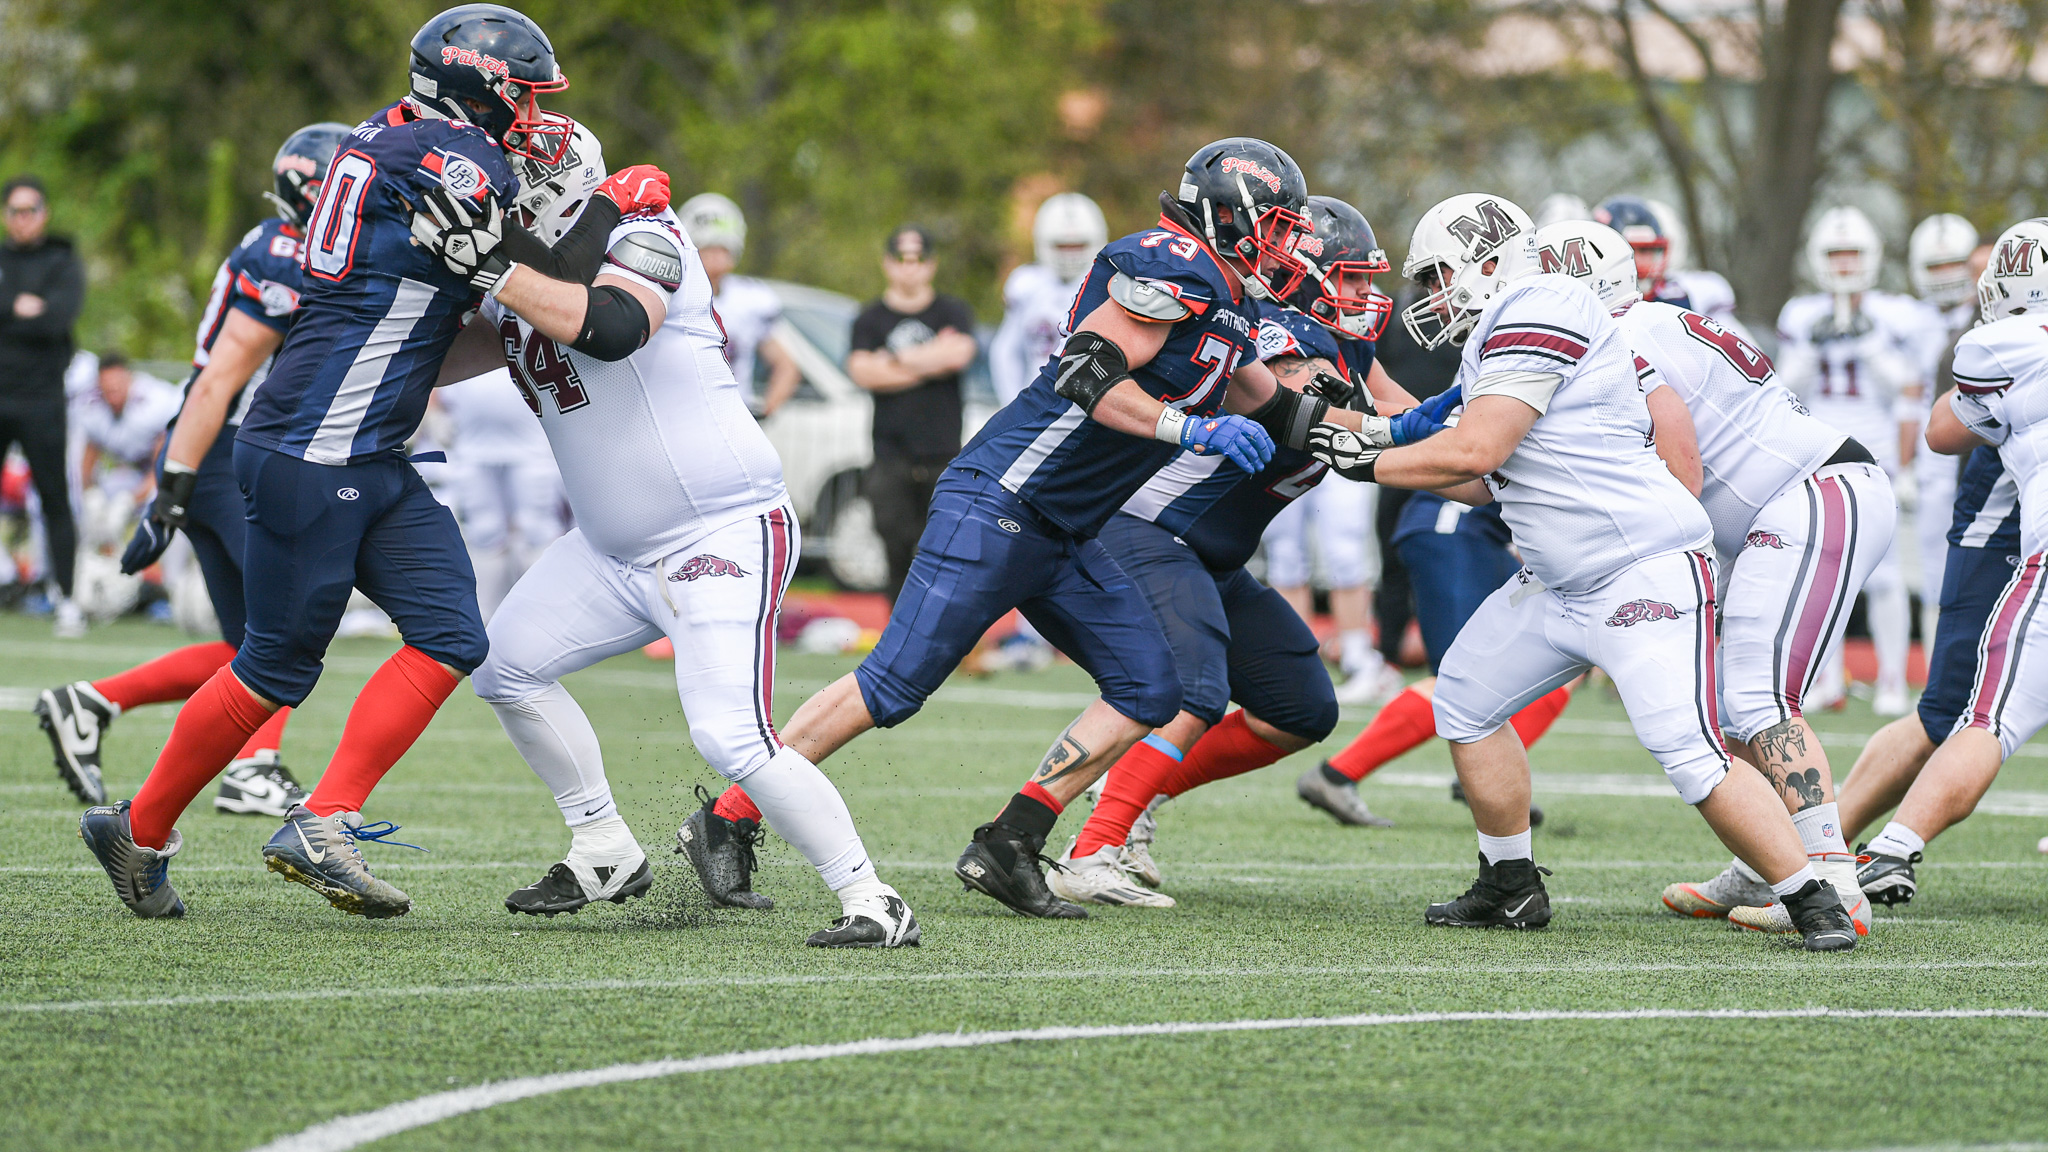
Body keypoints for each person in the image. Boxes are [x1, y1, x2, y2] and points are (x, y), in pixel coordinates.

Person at [683, 139, 1388, 919]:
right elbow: (1088, 371)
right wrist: (1188, 428)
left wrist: (1410, 427)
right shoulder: (1173, 264)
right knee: (893, 684)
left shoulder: (1229, 301)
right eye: (1279, 228)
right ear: (1230, 217)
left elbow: (1283, 410)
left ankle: (1011, 841)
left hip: (1067, 529)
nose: (1288, 248)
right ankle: (725, 818)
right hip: (1000, 499)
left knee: (1150, 687)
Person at [76, 4, 671, 920]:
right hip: (314, 444)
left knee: (452, 633)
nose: (535, 118)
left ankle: (324, 820)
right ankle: (140, 828)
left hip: (366, 444)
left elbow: (485, 281)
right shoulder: (454, 158)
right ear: (479, 86)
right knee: (274, 667)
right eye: (525, 98)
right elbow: (554, 277)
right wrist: (611, 205)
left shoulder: (389, 134)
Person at [417, 124, 914, 948]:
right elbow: (433, 359)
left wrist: (494, 268)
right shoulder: (521, 272)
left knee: (729, 733)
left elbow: (612, 325)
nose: (496, 196)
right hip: (610, 549)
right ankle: (603, 846)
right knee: (505, 669)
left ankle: (872, 898)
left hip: (717, 527)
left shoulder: (644, 230)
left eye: (510, 180)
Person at [1334, 192, 1857, 950]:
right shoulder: (1503, 332)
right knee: (1465, 701)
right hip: (1562, 581)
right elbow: (1476, 473)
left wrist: (1367, 460)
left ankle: (1813, 897)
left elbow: (1474, 450)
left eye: (1440, 274)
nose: (1434, 294)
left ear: (1488, 261)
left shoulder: (1540, 304)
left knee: (1691, 754)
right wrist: (1341, 423)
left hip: (1638, 571)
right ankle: (1509, 884)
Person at [1049, 196, 1452, 906]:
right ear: (1310, 273)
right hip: (1146, 531)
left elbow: (1402, 415)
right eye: (1352, 279)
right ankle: (1090, 850)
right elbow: (1323, 411)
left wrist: (1489, 435)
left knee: (1299, 707)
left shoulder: (1349, 347)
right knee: (1194, 688)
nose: (1367, 295)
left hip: (1209, 555)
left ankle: (1134, 794)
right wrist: (1425, 427)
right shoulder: (1274, 334)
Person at [1535, 219, 1893, 936]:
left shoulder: (1623, 341)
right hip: (1791, 501)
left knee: (1759, 696)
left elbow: (1682, 467)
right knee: (1729, 706)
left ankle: (1832, 877)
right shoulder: (1655, 320)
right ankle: (1766, 864)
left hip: (1810, 493)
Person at [32, 124, 345, 812]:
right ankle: (254, 767)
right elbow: (230, 376)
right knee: (286, 626)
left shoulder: (283, 244)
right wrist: (172, 491)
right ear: (314, 190)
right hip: (229, 453)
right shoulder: (287, 252)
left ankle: (91, 702)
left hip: (216, 453)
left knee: (245, 649)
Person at [1850, 218, 2048, 905]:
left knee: (1984, 720)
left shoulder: (2003, 344)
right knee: (1950, 714)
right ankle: (1815, 848)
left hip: (2029, 550)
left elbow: (1942, 429)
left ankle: (1882, 849)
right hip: (1995, 540)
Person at [1776, 207, 1929, 716]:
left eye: (1852, 254)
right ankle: (1827, 679)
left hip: (1877, 450)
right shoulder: (1801, 314)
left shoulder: (1896, 313)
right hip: (1819, 450)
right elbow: (1784, 387)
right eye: (1835, 254)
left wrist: (1867, 341)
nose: (1844, 264)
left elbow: (1908, 388)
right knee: (1824, 569)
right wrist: (1814, 345)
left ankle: (1892, 681)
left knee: (1885, 573)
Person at [847, 225, 978, 601]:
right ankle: (898, 630)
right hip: (890, 455)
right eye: (902, 259)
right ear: (888, 264)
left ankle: (939, 629)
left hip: (942, 454)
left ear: (931, 264)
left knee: (942, 551)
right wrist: (932, 360)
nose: (910, 268)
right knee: (895, 549)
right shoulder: (870, 317)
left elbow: (960, 354)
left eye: (918, 259)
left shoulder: (952, 310)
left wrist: (894, 359)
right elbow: (862, 371)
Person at [0, 173, 86, 637]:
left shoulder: (62, 260)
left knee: (54, 499)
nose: (23, 219)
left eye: (30, 210)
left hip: (42, 400)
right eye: (15, 211)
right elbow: (34, 315)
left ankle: (67, 599)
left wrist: (11, 310)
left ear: (44, 213)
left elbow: (58, 319)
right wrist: (20, 306)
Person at [1906, 214, 1981, 647]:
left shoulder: (1988, 316)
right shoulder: (1911, 320)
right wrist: (1904, 464)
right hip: (1930, 453)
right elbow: (1906, 399)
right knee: (1933, 569)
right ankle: (1937, 663)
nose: (1946, 275)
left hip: (1975, 447)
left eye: (1954, 264)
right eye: (1935, 265)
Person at [676, 193, 802, 418]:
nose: (717, 256)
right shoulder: (672, 295)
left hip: (731, 417)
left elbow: (786, 366)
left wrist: (763, 412)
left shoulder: (750, 299)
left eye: (723, 248)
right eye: (710, 248)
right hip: (681, 415)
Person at [989, 193, 1107, 406]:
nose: (1069, 255)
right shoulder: (1026, 283)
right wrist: (1013, 405)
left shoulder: (1109, 285)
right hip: (1036, 401)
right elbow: (1005, 352)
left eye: (1077, 246)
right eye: (1062, 246)